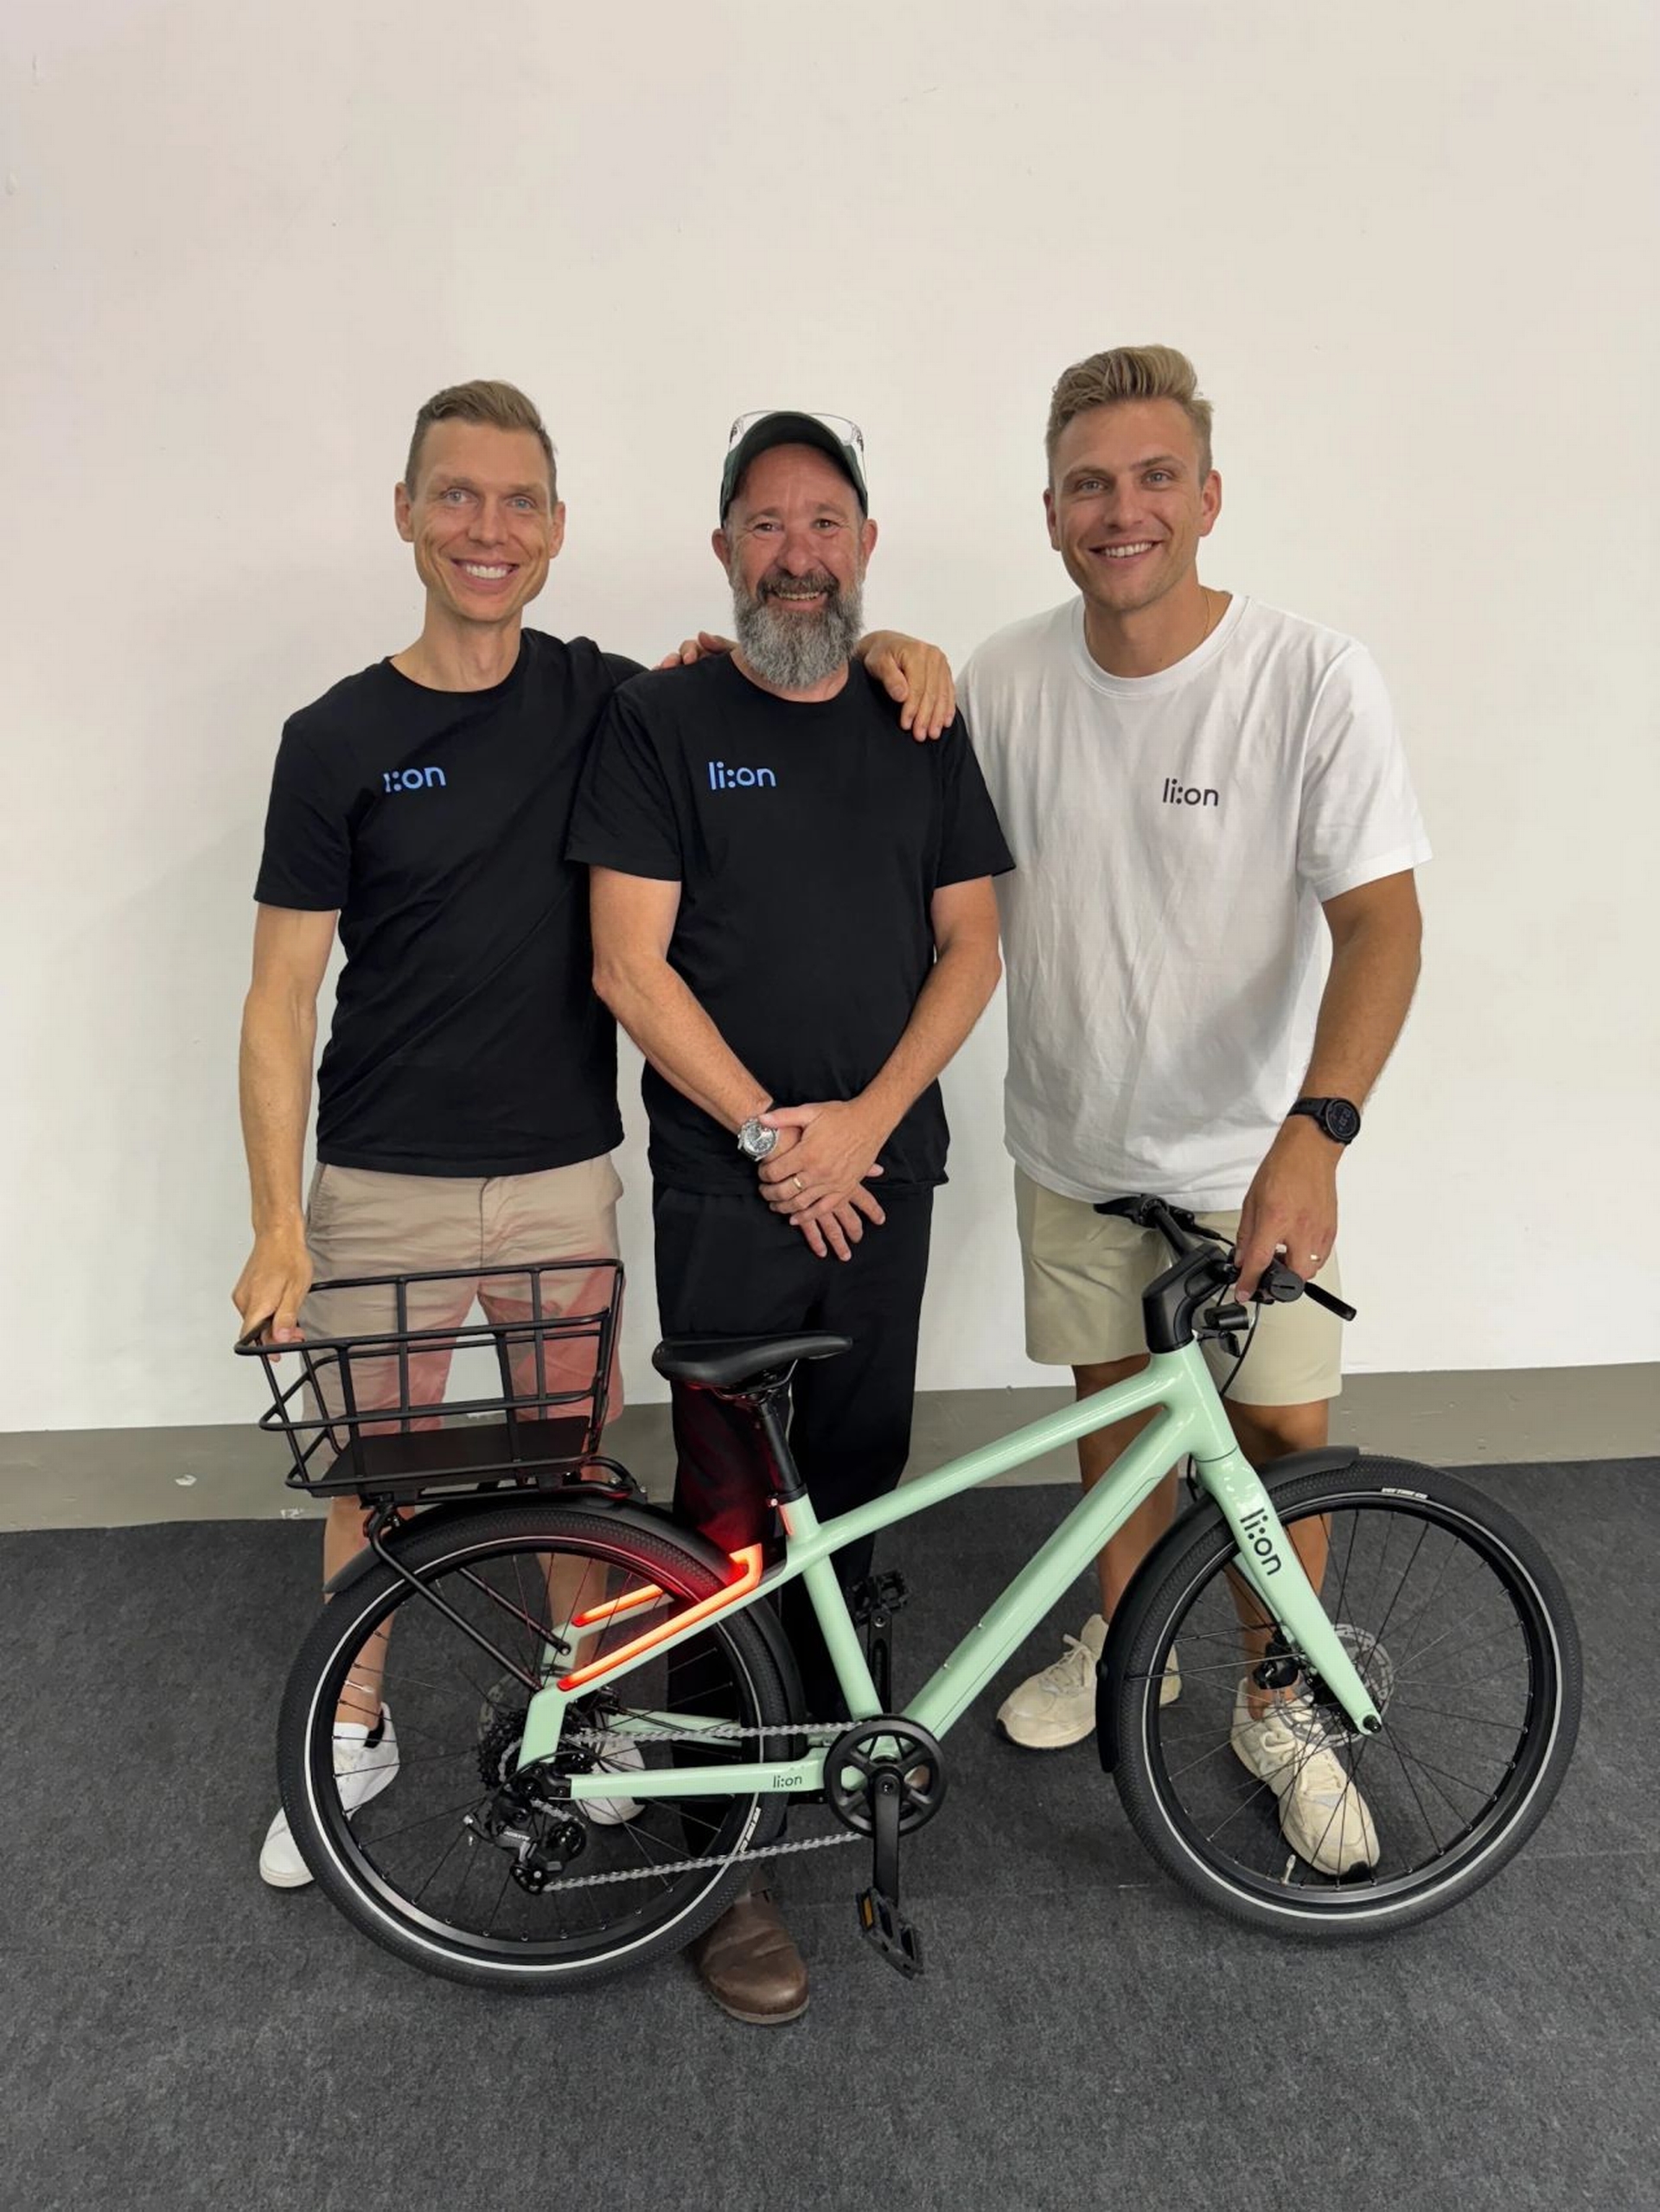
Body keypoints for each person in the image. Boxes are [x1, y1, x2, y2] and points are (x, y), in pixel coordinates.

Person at [234, 379, 955, 1890]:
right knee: (376, 1472)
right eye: (456, 496)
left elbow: (774, 661)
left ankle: (594, 1719)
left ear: (557, 529)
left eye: (518, 503)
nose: (486, 530)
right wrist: (280, 1224)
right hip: (379, 1171)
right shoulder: (332, 737)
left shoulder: (610, 701)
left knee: (566, 1465)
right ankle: (353, 1727)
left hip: (564, 1167)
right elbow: (279, 999)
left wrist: (894, 646)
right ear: (406, 513)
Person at [961, 346, 1429, 1878]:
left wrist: (1321, 1131)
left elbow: (1383, 923)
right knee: (1115, 1425)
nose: (1124, 510)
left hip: (1250, 1161)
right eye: (1090, 484)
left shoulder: (1309, 677)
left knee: (1277, 1442)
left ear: (1210, 496)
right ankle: (1129, 1646)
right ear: (1050, 511)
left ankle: (1279, 1703)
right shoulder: (1001, 681)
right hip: (1073, 1148)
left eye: (1156, 477)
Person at [571, 409, 1012, 2024]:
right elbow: (630, 966)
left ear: (868, 544)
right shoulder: (661, 718)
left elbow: (972, 945)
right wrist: (773, 1138)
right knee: (726, 1518)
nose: (799, 554)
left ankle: (831, 1755)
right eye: (767, 525)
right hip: (732, 1186)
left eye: (827, 523)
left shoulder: (919, 718)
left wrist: (865, 1128)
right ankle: (722, 1857)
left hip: (886, 1175)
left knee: (860, 1484)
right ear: (722, 549)